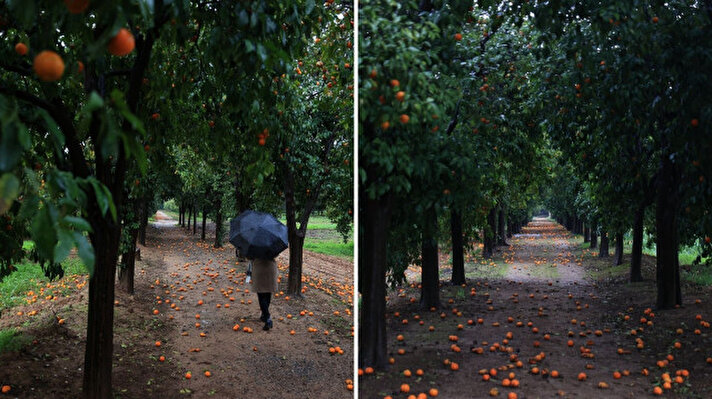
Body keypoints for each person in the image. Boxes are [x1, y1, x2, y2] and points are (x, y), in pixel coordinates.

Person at [249, 257, 278, 330]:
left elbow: (249, 257)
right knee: (268, 292)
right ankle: (264, 315)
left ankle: (267, 317)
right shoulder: (272, 245)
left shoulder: (254, 246)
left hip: (259, 268)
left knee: (261, 295)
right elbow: (276, 254)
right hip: (271, 268)